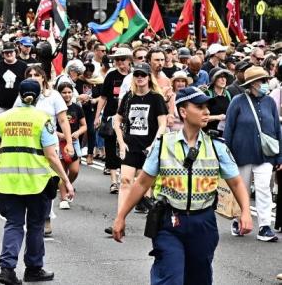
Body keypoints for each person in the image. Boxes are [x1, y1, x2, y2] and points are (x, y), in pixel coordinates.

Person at [112, 87, 253, 285]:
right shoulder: (163, 145)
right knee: (170, 278)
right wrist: (121, 217)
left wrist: (245, 212)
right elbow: (142, 182)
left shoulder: (217, 146)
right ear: (183, 112)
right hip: (169, 222)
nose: (206, 112)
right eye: (200, 107)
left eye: (207, 107)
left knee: (199, 279)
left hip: (203, 223)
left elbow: (236, 182)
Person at [0, 79, 75, 285]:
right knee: (36, 225)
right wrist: (65, 181)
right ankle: (33, 268)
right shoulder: (43, 119)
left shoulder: (3, 118)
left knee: (13, 224)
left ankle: (7, 269)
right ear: (38, 96)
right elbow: (51, 155)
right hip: (37, 182)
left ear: (19, 94)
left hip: (8, 181)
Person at [223, 66, 282, 242]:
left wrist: (280, 156)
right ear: (251, 84)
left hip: (265, 155)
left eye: (265, 80)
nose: (264, 84)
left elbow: (277, 130)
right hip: (241, 155)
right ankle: (239, 219)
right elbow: (228, 130)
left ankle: (264, 226)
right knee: (242, 190)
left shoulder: (270, 102)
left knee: (264, 189)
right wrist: (226, 156)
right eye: (260, 81)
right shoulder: (237, 101)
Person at [113, 63, 168, 216]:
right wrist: (121, 142)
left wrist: (154, 144)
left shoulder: (156, 98)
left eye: (143, 75)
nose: (139, 77)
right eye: (136, 74)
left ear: (149, 77)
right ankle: (120, 218)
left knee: (144, 187)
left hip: (148, 147)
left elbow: (162, 124)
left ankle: (151, 220)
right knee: (125, 181)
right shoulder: (128, 97)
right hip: (131, 146)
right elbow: (117, 121)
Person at [95, 47, 132, 194]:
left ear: (129, 60)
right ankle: (114, 181)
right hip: (111, 116)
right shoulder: (111, 76)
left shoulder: (136, 75)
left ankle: (126, 178)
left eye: (122, 59)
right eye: (117, 60)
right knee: (110, 148)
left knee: (127, 148)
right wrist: (98, 116)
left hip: (129, 118)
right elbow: (103, 97)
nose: (119, 62)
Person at [55, 82, 85, 210]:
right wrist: (60, 135)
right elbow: (49, 126)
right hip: (58, 142)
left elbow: (84, 125)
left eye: (69, 92)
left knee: (74, 170)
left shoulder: (77, 108)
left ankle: (67, 185)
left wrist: (78, 133)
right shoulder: (56, 108)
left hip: (74, 142)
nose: (67, 95)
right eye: (64, 92)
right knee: (62, 170)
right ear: (59, 94)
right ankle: (63, 198)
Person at [0, 42, 28, 113]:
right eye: (6, 52)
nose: (9, 54)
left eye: (11, 52)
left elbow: (27, 84)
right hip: (0, 107)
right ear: (3, 54)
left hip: (19, 106)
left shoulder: (23, 66)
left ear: (15, 52)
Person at [204, 67, 233, 134]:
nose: (223, 79)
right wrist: (217, 117)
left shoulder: (228, 94)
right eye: (220, 77)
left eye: (225, 77)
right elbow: (201, 118)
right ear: (213, 80)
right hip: (209, 133)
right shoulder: (207, 94)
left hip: (225, 133)